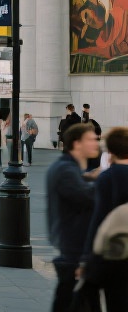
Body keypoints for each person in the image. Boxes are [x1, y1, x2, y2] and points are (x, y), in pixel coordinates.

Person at [46, 122, 99, 312]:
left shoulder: (67, 168)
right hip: (74, 248)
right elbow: (87, 197)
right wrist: (107, 180)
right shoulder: (66, 170)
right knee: (69, 301)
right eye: (91, 140)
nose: (96, 143)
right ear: (77, 144)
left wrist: (90, 178)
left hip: (73, 247)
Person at [81, 126, 128, 306]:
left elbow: (98, 219)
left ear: (110, 151)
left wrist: (86, 258)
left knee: (116, 301)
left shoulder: (108, 177)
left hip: (114, 253)